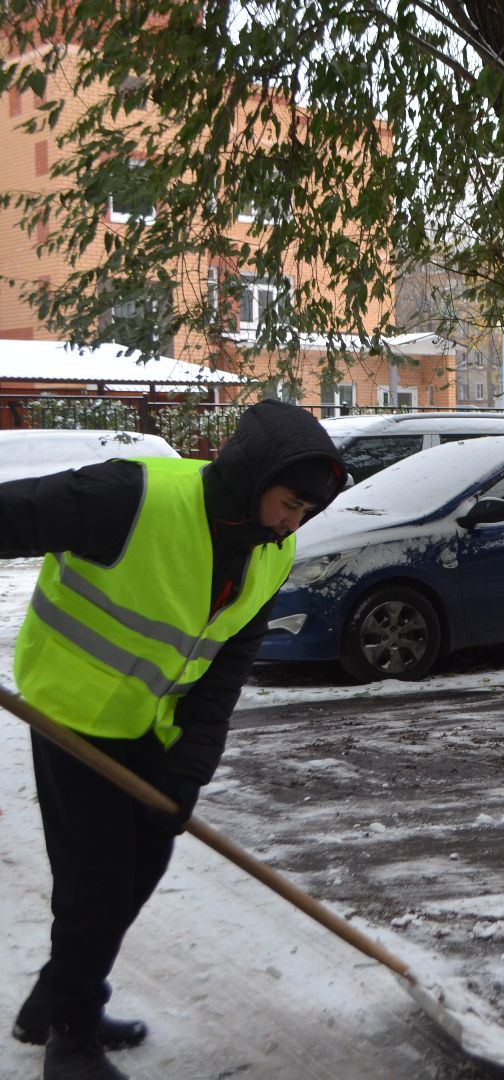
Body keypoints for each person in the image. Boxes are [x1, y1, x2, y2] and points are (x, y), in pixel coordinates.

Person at [2, 400, 344, 1080]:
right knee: (96, 880)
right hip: (70, 712)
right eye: (288, 503)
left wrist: (188, 770)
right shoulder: (130, 496)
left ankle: (54, 996)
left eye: (306, 511)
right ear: (252, 475)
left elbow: (224, 673)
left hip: (150, 726)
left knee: (144, 864)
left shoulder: (271, 556)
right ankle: (70, 1035)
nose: (291, 522)